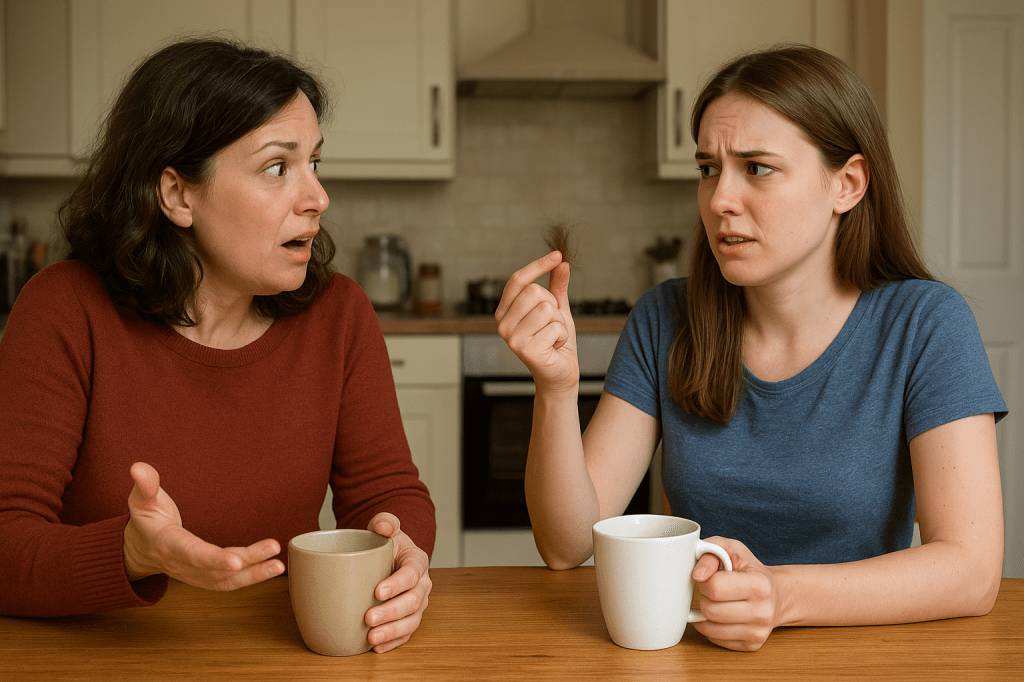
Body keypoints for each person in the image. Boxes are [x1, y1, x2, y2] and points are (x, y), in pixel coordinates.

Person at [495, 44, 1007, 652]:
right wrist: (555, 389)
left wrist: (781, 596)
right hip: (701, 657)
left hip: (866, 656)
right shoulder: (666, 317)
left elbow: (973, 572)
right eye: (708, 168)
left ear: (846, 184)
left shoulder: (925, 324)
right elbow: (566, 545)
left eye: (757, 168)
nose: (718, 201)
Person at [0, 37, 434, 653]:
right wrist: (131, 553)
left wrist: (405, 557)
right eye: (278, 167)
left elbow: (388, 496)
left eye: (315, 163)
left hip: (281, 653)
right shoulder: (65, 309)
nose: (317, 198)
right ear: (177, 194)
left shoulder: (339, 314)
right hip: (102, 657)